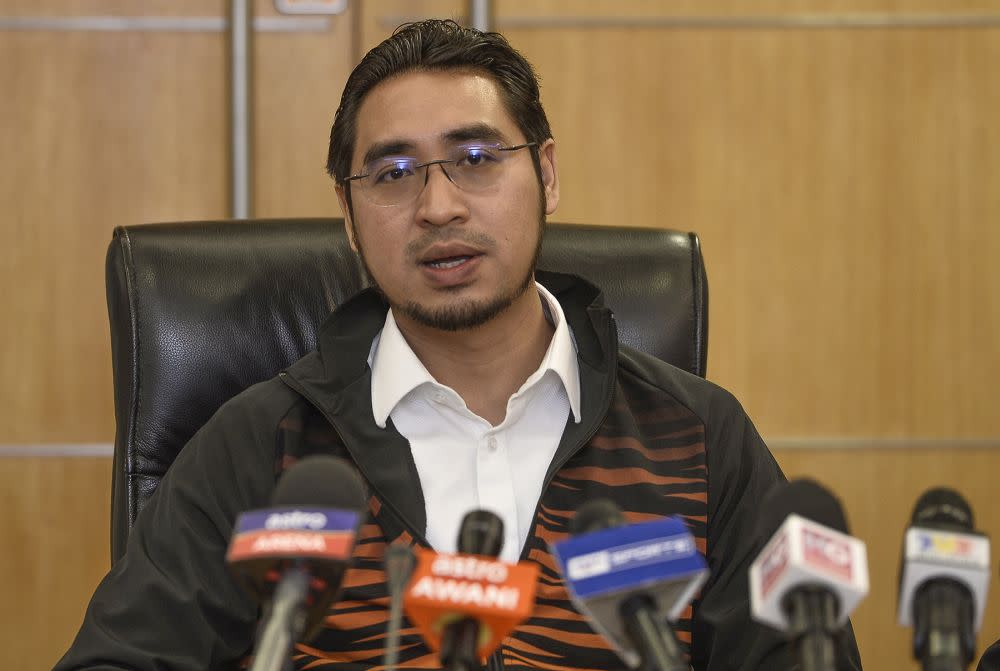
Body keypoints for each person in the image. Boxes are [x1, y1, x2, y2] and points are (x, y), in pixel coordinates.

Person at [57, 19, 862, 671]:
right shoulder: (261, 448)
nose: (438, 205)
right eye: (394, 172)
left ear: (546, 175)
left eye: (476, 159)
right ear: (348, 214)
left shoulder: (697, 436)